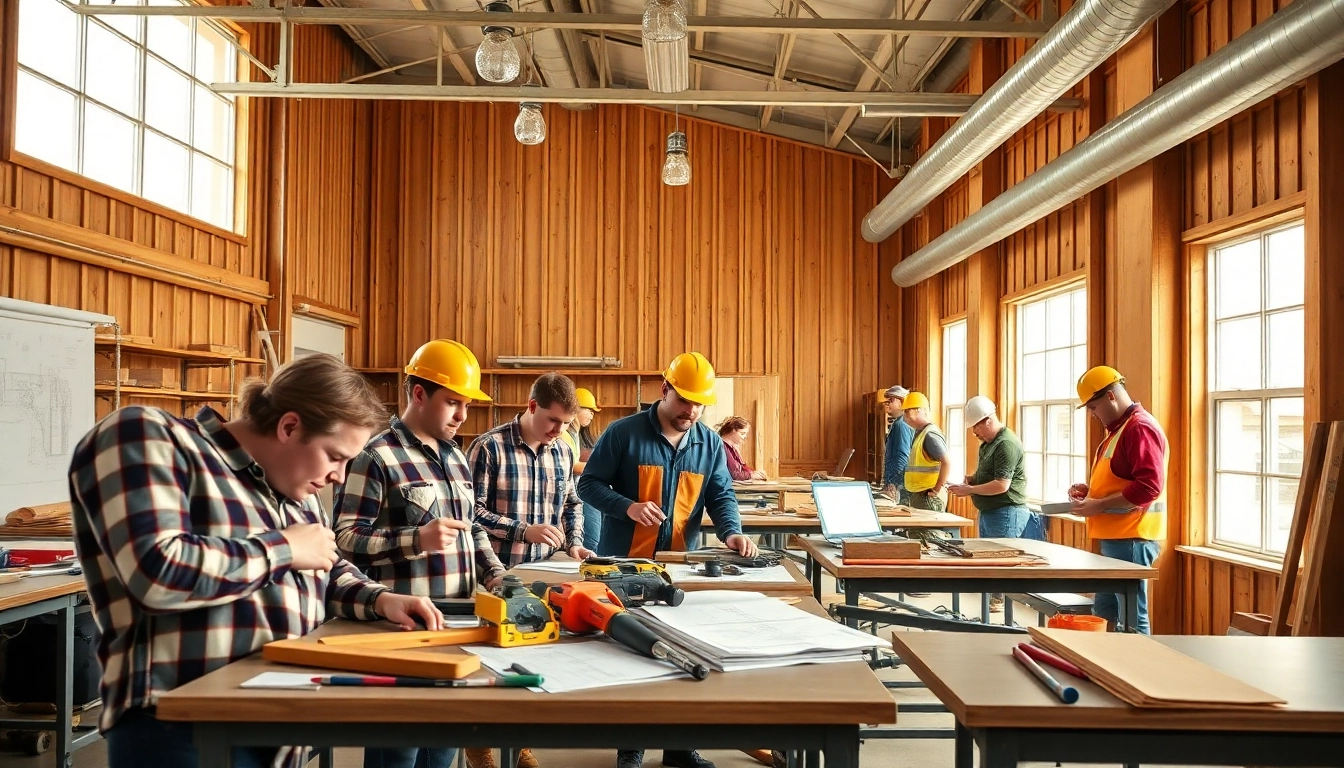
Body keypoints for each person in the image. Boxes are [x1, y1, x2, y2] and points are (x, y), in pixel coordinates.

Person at [69, 354, 442, 768]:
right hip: (178, 723)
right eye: (335, 456)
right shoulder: (149, 437)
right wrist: (284, 548)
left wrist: (379, 599)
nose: (339, 475)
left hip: (278, 720)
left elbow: (323, 564)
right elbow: (156, 572)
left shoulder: (295, 491)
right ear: (289, 426)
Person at [334, 340, 507, 768]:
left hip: (457, 627)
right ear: (418, 393)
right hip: (402, 633)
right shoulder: (375, 455)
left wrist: (496, 574)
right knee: (397, 753)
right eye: (453, 402)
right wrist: (416, 539)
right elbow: (345, 539)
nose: (462, 415)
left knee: (443, 749)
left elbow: (472, 528)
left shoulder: (457, 457)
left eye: (466, 404)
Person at [578, 351, 756, 768]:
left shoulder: (708, 444)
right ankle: (631, 748)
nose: (691, 411)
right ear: (664, 390)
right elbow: (589, 485)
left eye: (699, 404)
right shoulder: (623, 433)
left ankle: (679, 747)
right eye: (684, 400)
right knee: (631, 655)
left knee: (683, 651)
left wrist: (731, 531)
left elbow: (720, 495)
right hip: (624, 569)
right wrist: (627, 506)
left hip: (677, 570)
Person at [1069, 366, 1167, 634]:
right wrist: (1092, 492)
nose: (1092, 414)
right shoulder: (1120, 430)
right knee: (1106, 613)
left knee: (1132, 618)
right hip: (1116, 538)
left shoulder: (1139, 428)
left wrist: (1099, 504)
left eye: (1093, 407)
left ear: (1111, 396)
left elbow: (1149, 486)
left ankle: (1136, 662)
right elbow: (1123, 479)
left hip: (1132, 537)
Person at [468, 372, 593, 570]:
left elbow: (571, 505)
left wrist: (575, 543)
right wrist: (523, 531)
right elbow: (471, 513)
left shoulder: (563, 452)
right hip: (497, 571)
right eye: (553, 419)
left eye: (567, 423)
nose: (559, 430)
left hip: (549, 569)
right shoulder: (488, 447)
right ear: (533, 406)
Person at [947, 396, 1029, 614]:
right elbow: (991, 475)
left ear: (988, 420)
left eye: (977, 427)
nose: (975, 432)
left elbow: (1002, 485)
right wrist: (973, 480)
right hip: (990, 511)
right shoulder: (988, 444)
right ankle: (993, 597)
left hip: (1007, 510)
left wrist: (970, 490)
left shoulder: (1006, 445)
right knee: (988, 557)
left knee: (1000, 558)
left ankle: (1000, 600)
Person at [900, 392, 950, 511]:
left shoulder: (930, 435)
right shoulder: (920, 433)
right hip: (920, 494)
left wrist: (936, 490)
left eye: (907, 411)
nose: (905, 416)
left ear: (919, 410)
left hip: (928, 495)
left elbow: (947, 462)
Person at [571, 387, 604, 551]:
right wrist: (601, 469)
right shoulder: (566, 435)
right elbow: (570, 465)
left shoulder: (575, 435)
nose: (591, 414)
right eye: (589, 410)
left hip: (580, 489)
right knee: (592, 541)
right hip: (578, 491)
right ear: (576, 408)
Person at [881, 385, 915, 503]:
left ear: (902, 402)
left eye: (891, 400)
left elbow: (902, 456)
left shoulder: (901, 425)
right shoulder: (902, 423)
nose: (888, 404)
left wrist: (894, 484)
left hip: (899, 485)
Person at [716, 416, 767, 481]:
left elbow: (742, 467)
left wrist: (754, 473)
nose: (745, 437)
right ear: (733, 431)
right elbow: (734, 474)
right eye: (742, 433)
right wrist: (751, 475)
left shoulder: (732, 448)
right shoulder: (722, 447)